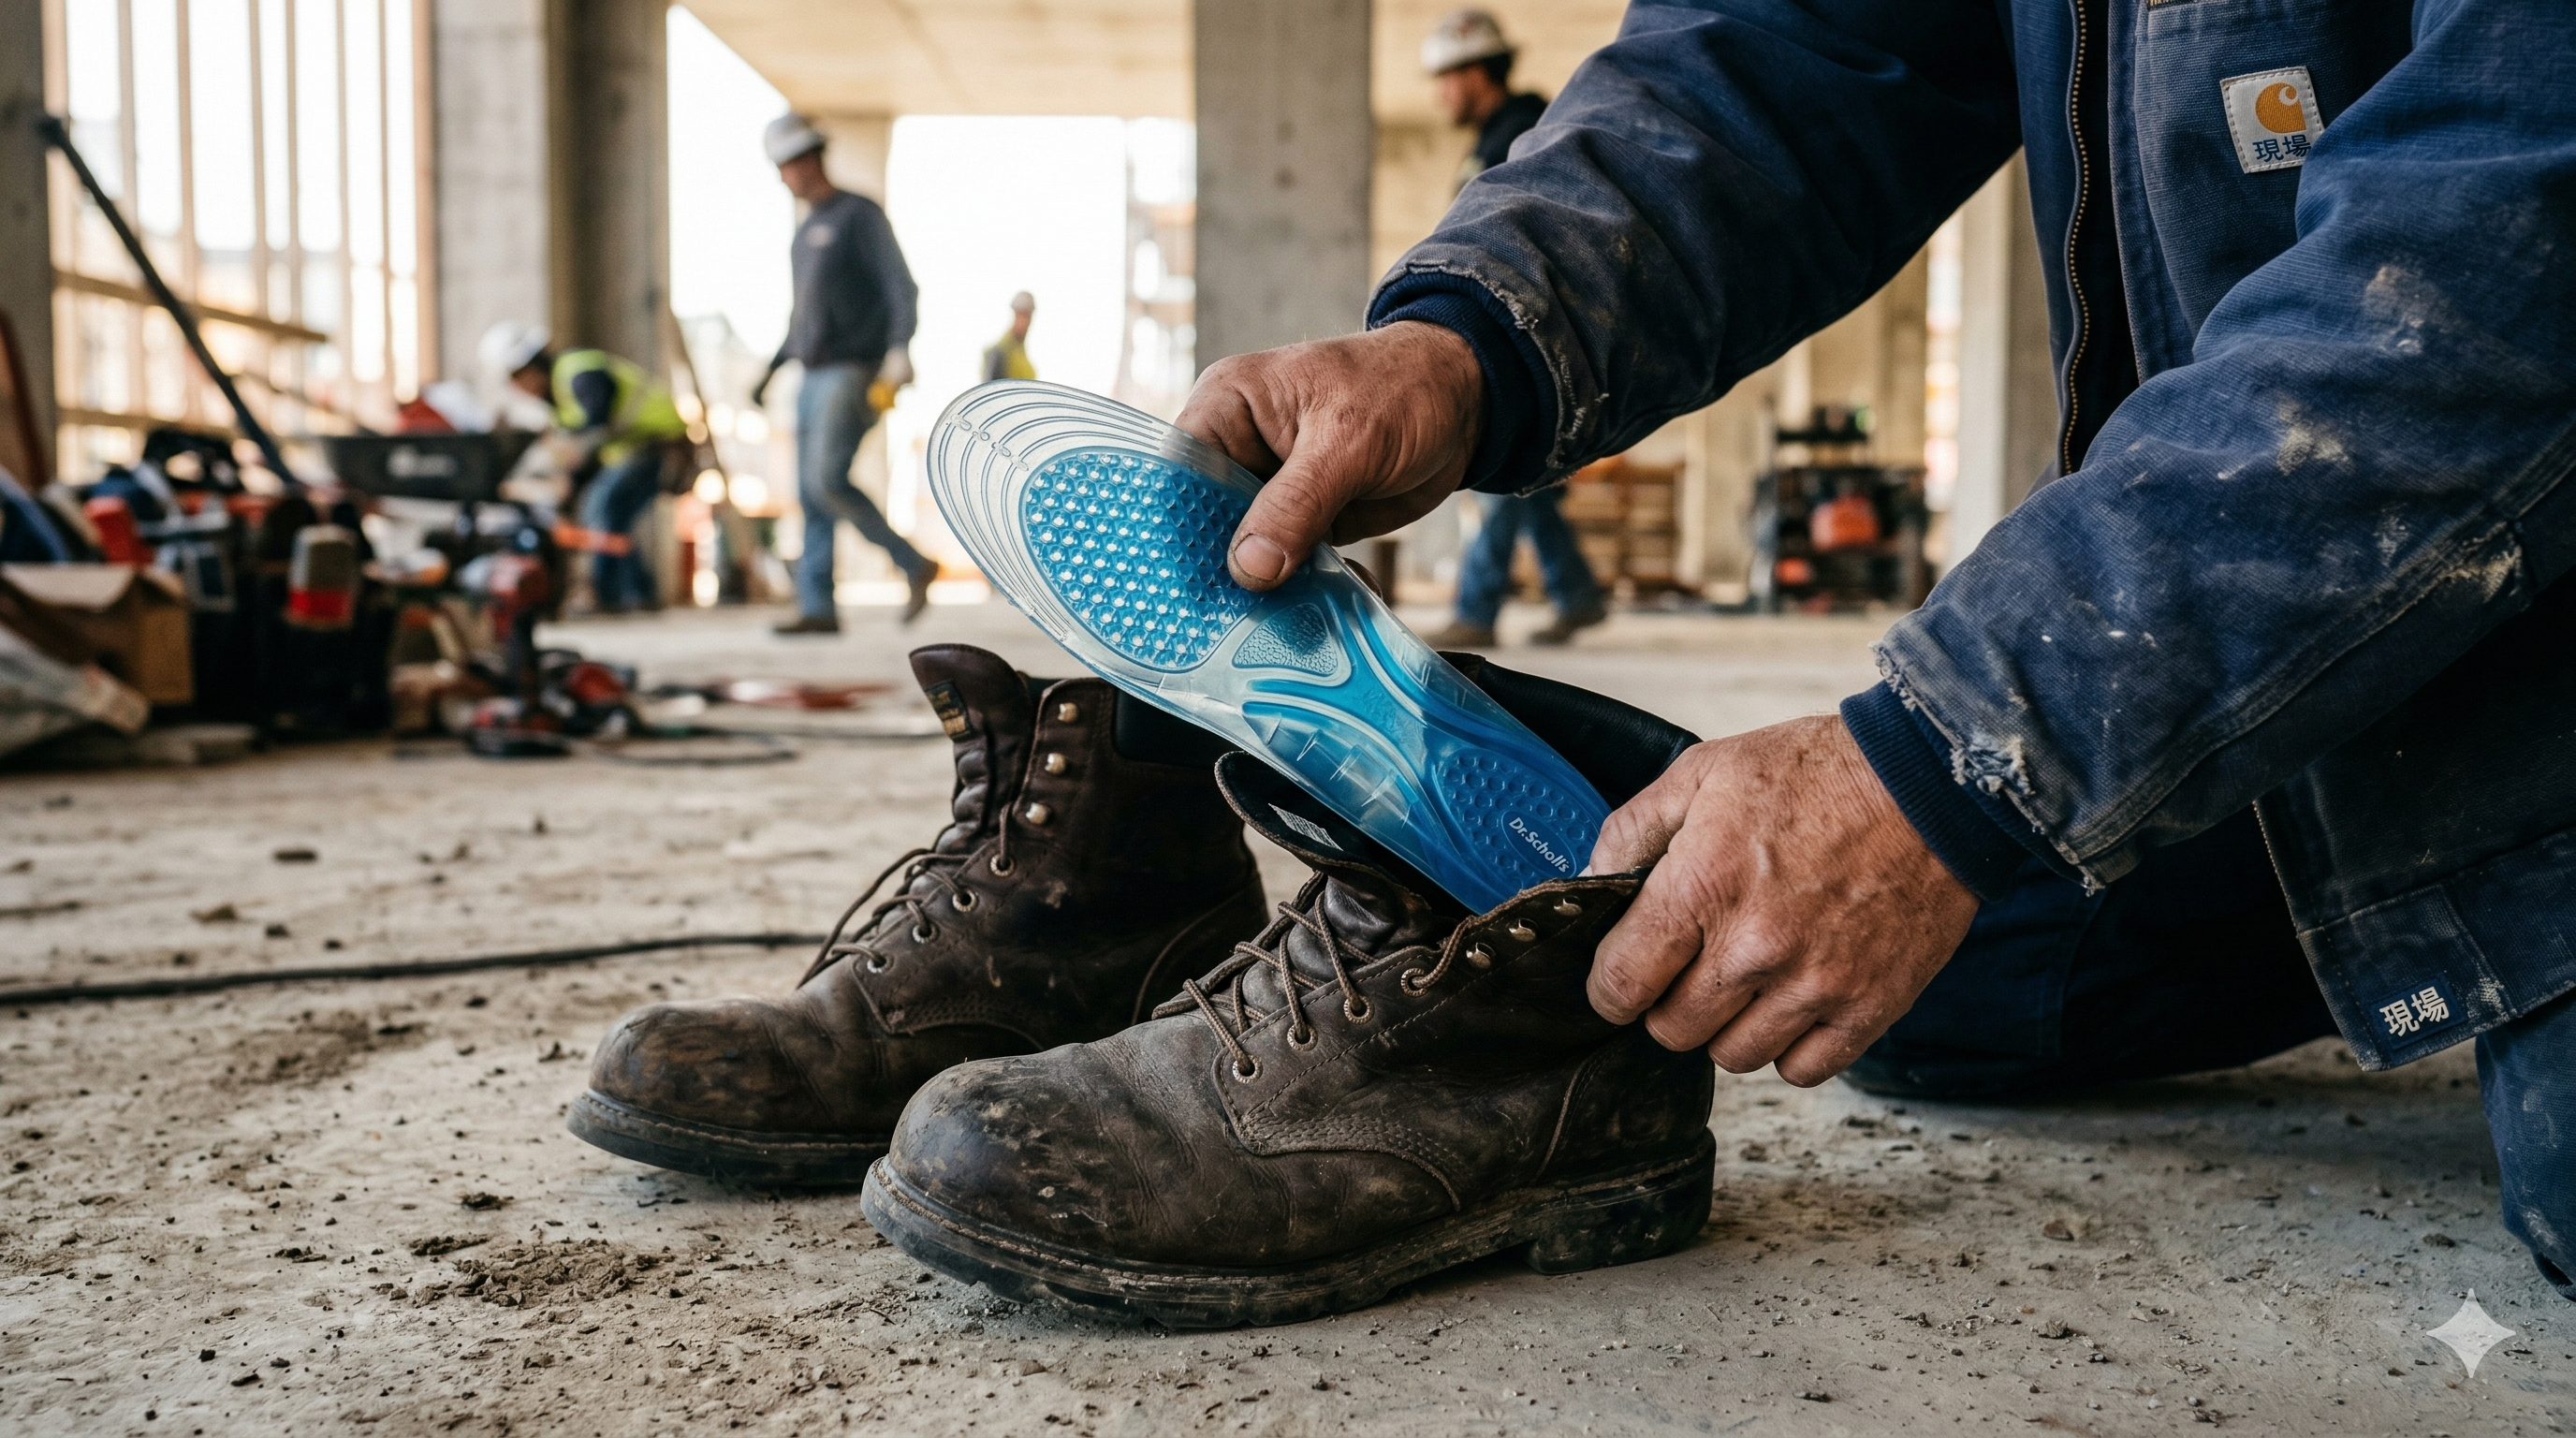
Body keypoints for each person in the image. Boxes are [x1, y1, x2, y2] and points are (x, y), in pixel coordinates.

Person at [831, 0, 2576, 1313]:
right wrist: (1472, 337)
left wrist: (1975, 740)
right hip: (2316, 648)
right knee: (1886, 980)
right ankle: (1393, 927)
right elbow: (1794, 50)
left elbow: (2507, 240)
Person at [1416, 10, 1605, 651]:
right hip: (1520, 325)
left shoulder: (1523, 132)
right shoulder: (1497, 136)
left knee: (1494, 476)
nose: (1441, 95)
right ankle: (1577, 596)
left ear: (1477, 73)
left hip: (1520, 330)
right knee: (1527, 483)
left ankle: (1476, 611)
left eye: (1447, 79)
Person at [754, 112, 937, 634]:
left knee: (826, 480)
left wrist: (900, 349)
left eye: (790, 164)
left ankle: (911, 562)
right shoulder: (803, 235)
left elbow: (901, 286)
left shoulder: (858, 215)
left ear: (811, 158)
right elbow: (801, 320)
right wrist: (770, 372)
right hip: (809, 376)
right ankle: (817, 608)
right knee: (809, 494)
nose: (785, 177)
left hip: (852, 372)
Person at [478, 321, 685, 613]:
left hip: (656, 441)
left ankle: (611, 595)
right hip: (632, 449)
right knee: (612, 519)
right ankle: (635, 594)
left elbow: (596, 422)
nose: (518, 389)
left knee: (601, 509)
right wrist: (571, 481)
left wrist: (571, 476)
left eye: (516, 380)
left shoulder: (577, 371)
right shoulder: (559, 397)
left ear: (529, 369)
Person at [982, 292, 1038, 383]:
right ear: (1015, 314)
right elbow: (991, 387)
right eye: (1021, 315)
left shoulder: (1022, 353)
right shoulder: (997, 352)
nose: (1023, 322)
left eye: (1027, 316)